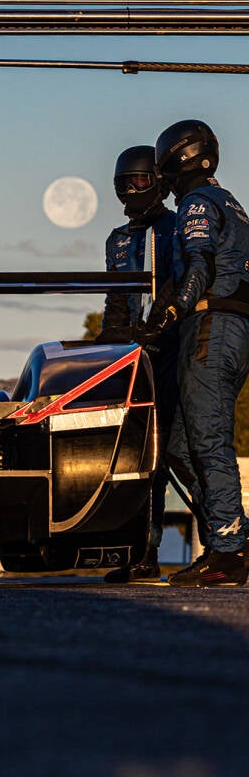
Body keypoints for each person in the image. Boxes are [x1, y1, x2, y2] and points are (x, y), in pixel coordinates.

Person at [144, 119, 249, 587]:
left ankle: (228, 553)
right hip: (233, 330)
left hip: (211, 328)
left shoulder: (196, 204)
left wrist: (172, 312)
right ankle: (229, 540)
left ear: (174, 160)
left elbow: (200, 263)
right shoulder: (233, 203)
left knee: (207, 440)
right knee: (180, 446)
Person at [98, 146, 178, 583]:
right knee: (137, 458)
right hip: (131, 358)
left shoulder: (176, 227)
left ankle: (227, 544)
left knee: (174, 453)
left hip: (171, 351)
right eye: (123, 182)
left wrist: (160, 327)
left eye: (140, 181)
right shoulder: (117, 239)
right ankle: (138, 553)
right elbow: (114, 302)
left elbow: (181, 282)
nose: (131, 189)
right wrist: (104, 351)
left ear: (159, 182)